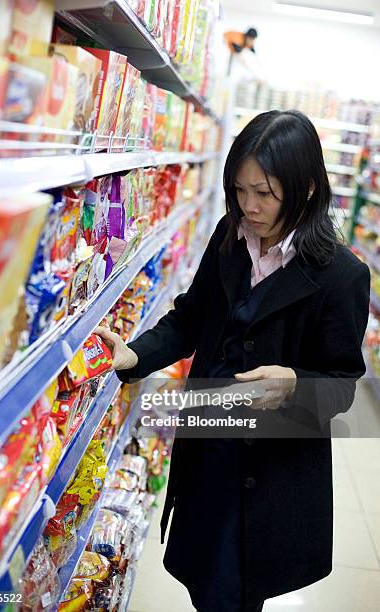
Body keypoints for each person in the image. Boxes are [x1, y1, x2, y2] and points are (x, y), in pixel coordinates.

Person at [96, 110, 370, 612]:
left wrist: (293, 383)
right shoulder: (230, 235)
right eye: (240, 190)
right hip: (209, 449)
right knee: (205, 581)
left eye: (264, 193)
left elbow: (342, 384)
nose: (249, 205)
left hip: (269, 472)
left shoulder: (341, 275)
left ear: (305, 187)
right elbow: (191, 318)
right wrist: (135, 354)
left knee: (236, 587)